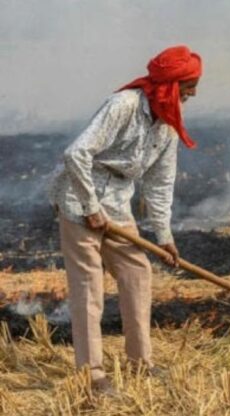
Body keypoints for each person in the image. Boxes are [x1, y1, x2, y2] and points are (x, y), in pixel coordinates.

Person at [48, 45, 202, 393]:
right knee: (89, 286)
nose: (193, 92)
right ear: (171, 84)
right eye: (189, 85)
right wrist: (89, 207)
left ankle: (140, 364)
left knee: (138, 273)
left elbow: (160, 184)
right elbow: (76, 153)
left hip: (117, 205)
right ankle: (93, 375)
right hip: (78, 197)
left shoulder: (168, 124)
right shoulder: (124, 105)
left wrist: (163, 236)